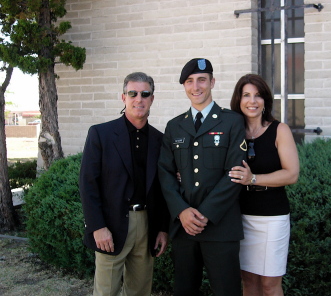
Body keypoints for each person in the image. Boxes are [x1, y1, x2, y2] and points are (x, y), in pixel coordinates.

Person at [158, 58, 247, 296]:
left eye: (201, 80)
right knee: (184, 291)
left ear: (212, 82)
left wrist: (205, 214)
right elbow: (165, 173)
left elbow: (235, 173)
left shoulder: (232, 121)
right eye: (189, 81)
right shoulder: (174, 126)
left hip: (221, 224)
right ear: (184, 86)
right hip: (184, 227)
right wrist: (182, 211)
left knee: (227, 291)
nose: (195, 87)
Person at [79, 72, 169, 296]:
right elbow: (88, 183)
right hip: (111, 225)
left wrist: (162, 229)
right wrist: (97, 227)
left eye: (145, 94)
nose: (139, 99)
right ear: (123, 97)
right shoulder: (101, 134)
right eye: (133, 93)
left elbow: (163, 188)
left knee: (140, 291)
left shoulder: (160, 140)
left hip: (147, 225)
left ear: (152, 99)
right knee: (106, 291)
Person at [228, 74, 300, 296]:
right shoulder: (232, 131)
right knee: (248, 282)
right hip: (240, 216)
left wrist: (253, 179)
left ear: (266, 100)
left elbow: (292, 174)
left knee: (269, 285)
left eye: (258, 95)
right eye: (246, 95)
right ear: (238, 100)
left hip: (272, 218)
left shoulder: (280, 130)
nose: (252, 101)